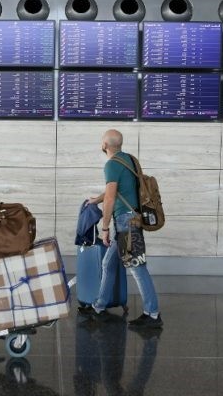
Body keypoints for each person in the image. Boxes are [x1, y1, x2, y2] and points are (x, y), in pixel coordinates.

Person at [84, 129, 163, 329]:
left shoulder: (111, 164)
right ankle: (99, 307)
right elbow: (115, 191)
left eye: (102, 142)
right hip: (130, 220)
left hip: (126, 223)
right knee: (108, 264)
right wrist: (95, 200)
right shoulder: (129, 159)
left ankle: (152, 314)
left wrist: (104, 228)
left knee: (137, 267)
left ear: (105, 145)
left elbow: (111, 197)